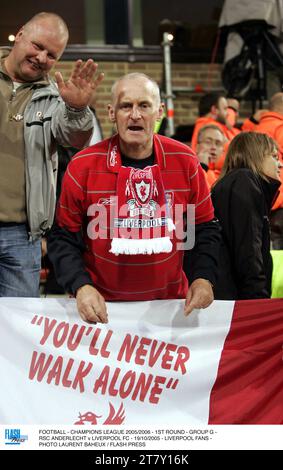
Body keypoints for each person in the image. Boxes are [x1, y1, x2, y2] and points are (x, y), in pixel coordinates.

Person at [48, 72, 221, 323]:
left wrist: (204, 277)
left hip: (170, 309)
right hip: (102, 310)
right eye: (126, 106)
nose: (135, 115)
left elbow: (204, 228)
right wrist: (81, 286)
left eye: (144, 105)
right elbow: (63, 237)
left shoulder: (185, 161)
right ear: (111, 113)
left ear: (159, 111)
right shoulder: (83, 166)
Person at [0, 12, 104, 297]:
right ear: (19, 34)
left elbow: (74, 138)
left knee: (17, 331)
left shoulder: (56, 97)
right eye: (37, 45)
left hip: (23, 236)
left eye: (51, 54)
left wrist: (77, 109)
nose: (41, 57)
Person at [211, 132, 281, 300]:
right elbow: (248, 251)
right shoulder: (244, 181)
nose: (279, 163)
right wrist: (258, 301)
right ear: (256, 155)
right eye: (273, 156)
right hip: (236, 302)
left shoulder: (238, 183)